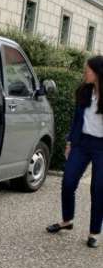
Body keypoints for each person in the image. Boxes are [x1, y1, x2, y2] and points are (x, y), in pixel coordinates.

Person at [47, 55, 103, 248]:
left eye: (87, 70)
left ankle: (94, 233)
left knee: (99, 189)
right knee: (68, 181)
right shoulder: (84, 91)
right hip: (82, 143)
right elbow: (77, 120)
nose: (84, 73)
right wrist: (70, 142)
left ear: (98, 73)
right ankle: (67, 220)